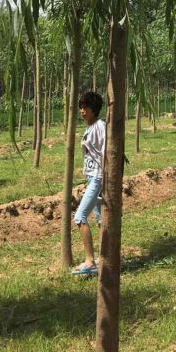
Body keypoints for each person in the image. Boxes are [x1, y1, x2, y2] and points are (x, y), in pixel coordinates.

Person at [71, 90, 106, 276]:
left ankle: (90, 260)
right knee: (101, 220)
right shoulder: (89, 128)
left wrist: (107, 178)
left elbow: (106, 151)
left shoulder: (100, 126)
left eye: (86, 107)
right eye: (81, 107)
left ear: (94, 109)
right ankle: (104, 257)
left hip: (99, 178)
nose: (82, 110)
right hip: (93, 177)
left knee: (80, 216)